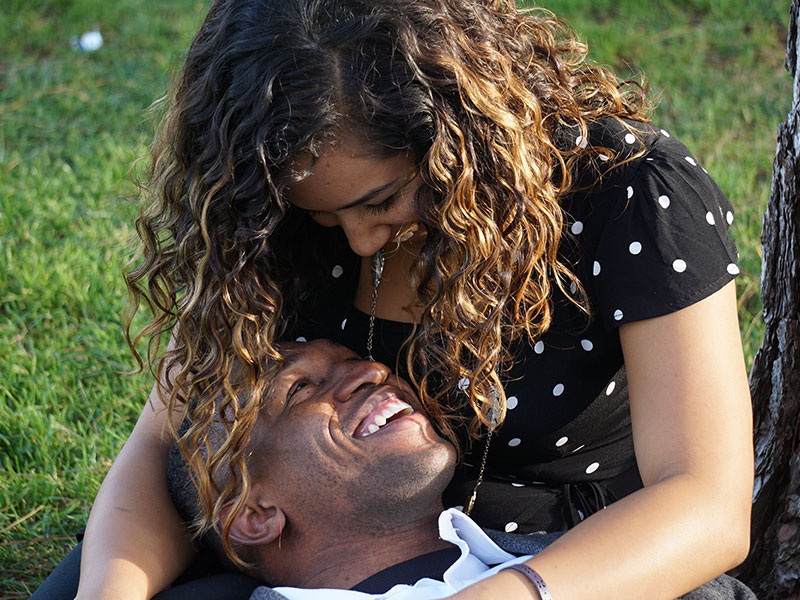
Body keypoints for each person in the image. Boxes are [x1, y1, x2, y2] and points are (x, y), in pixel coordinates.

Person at [32, 1, 754, 599]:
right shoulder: (271, 212)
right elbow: (168, 440)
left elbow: (707, 504)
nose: (359, 240)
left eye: (382, 200)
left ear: (457, 134)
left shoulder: (628, 194)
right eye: (324, 216)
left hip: (560, 565)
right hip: (317, 544)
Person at [163, 339, 753, 600]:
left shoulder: (633, 574)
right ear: (254, 514)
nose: (372, 371)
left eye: (354, 360)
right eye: (300, 390)